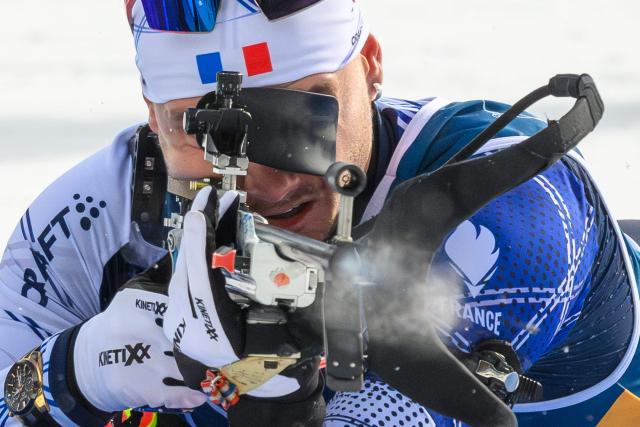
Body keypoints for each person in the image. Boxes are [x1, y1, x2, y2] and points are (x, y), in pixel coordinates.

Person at [1, 1, 639, 426]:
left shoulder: (505, 190)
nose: (264, 179)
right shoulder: (100, 215)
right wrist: (70, 376)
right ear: (151, 117)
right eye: (201, 129)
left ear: (371, 67)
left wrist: (271, 387)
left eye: (308, 112)